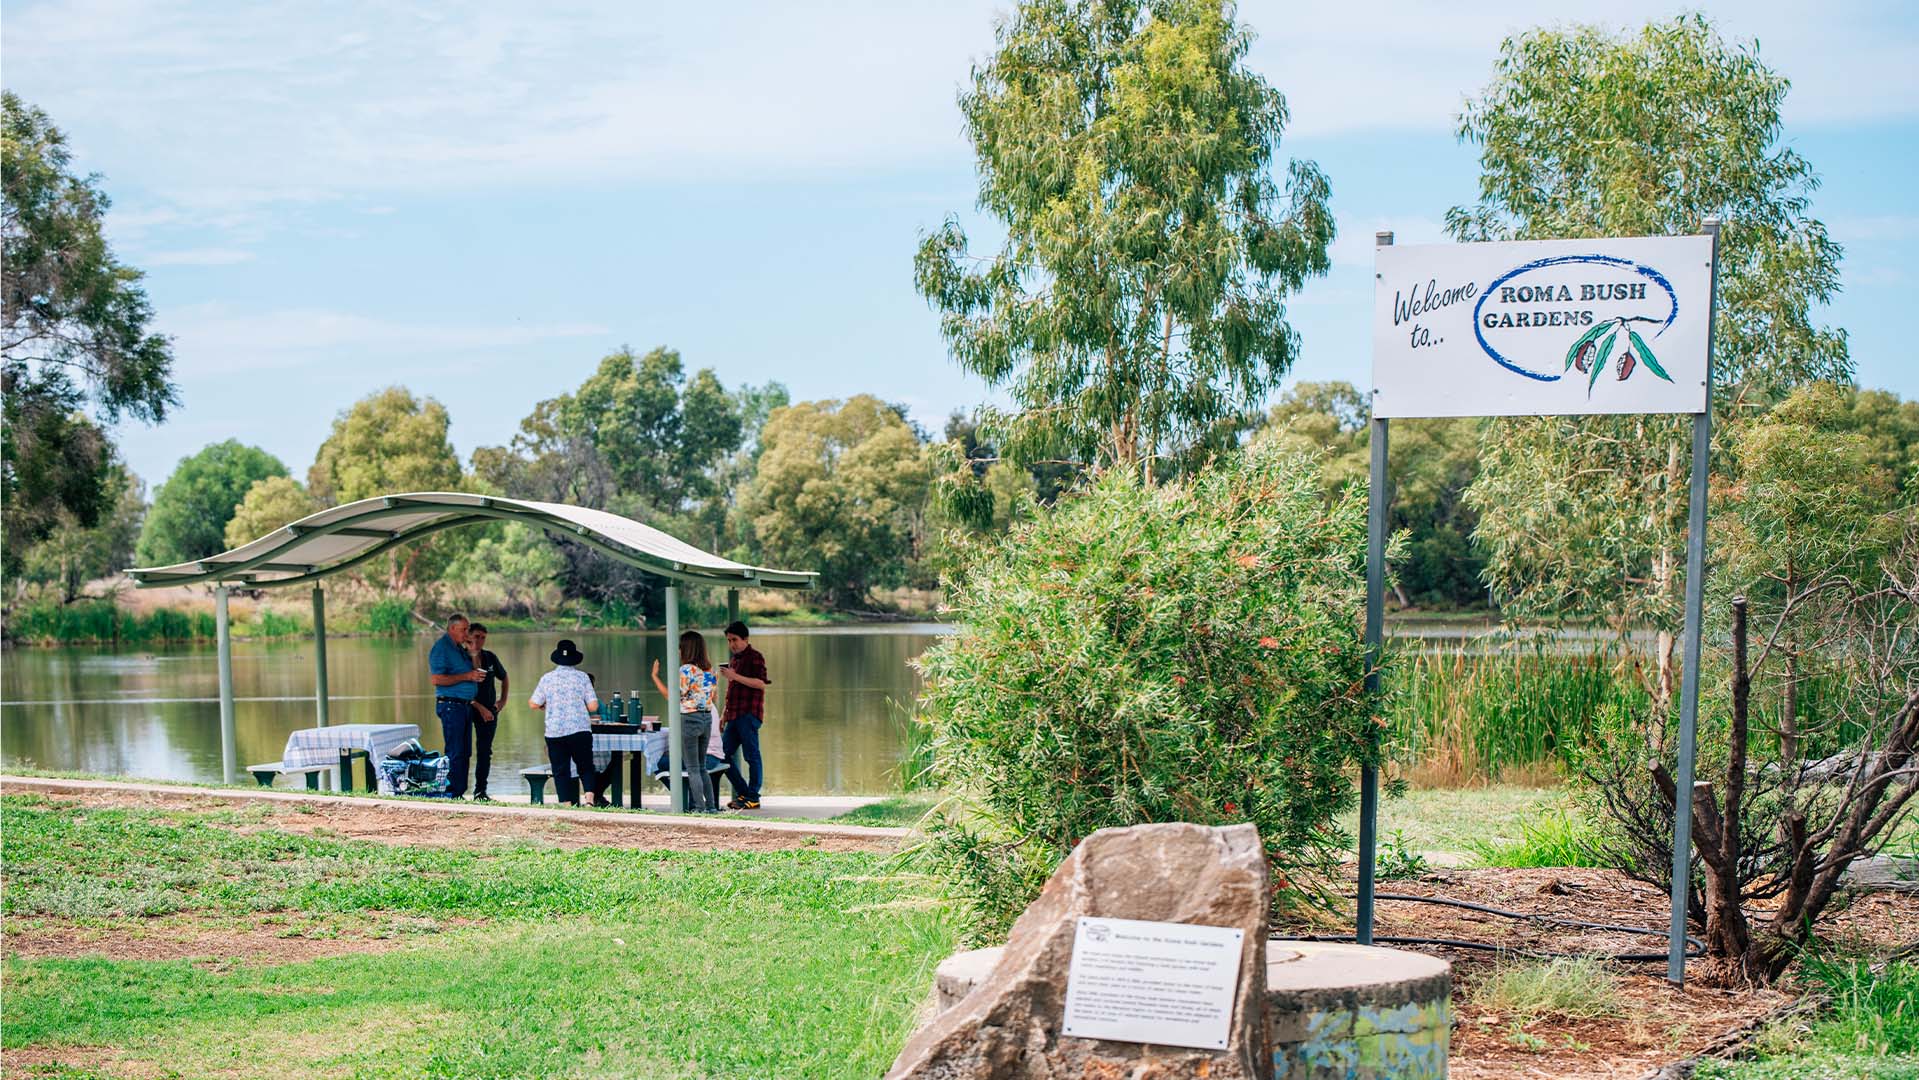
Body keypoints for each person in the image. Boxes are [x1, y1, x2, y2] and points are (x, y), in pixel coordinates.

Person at [649, 630, 717, 813]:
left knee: (692, 767)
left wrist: (655, 677)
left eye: (680, 648)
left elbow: (672, 697)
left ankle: (699, 808)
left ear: (686, 649)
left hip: (690, 719)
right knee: (702, 767)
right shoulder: (710, 671)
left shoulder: (686, 670)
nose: (678, 651)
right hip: (706, 718)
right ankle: (711, 806)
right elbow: (714, 697)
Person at [528, 639, 600, 806]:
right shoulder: (582, 677)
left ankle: (565, 804)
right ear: (575, 659)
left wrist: (546, 704)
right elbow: (593, 705)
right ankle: (589, 801)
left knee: (560, 770)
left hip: (555, 731)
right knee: (586, 766)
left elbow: (533, 703)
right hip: (580, 729)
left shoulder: (547, 679)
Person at [427, 613, 486, 799]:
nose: (467, 633)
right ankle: (451, 792)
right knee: (455, 751)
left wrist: (474, 652)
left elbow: (475, 669)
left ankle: (460, 792)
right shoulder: (441, 648)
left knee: (465, 751)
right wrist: (467, 677)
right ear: (452, 629)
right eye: (464, 629)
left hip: (464, 706)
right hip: (451, 706)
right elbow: (436, 679)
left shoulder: (460, 648)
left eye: (467, 629)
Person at [717, 620, 770, 810]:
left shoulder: (755, 657)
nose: (732, 644)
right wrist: (723, 715)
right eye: (729, 640)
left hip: (749, 714)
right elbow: (731, 690)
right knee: (720, 755)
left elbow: (761, 683)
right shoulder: (735, 660)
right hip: (733, 715)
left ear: (746, 639)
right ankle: (744, 792)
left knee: (752, 756)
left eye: (735, 640)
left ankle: (753, 796)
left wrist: (735, 676)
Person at [465, 623, 509, 802]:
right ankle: (456, 789)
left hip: (489, 711)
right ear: (468, 636)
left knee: (484, 751)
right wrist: (478, 706)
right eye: (476, 636)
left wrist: (502, 701)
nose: (480, 641)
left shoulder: (489, 657)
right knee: (462, 750)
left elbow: (504, 677)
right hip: (466, 709)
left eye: (483, 637)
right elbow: (457, 688)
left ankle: (480, 792)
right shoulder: (460, 657)